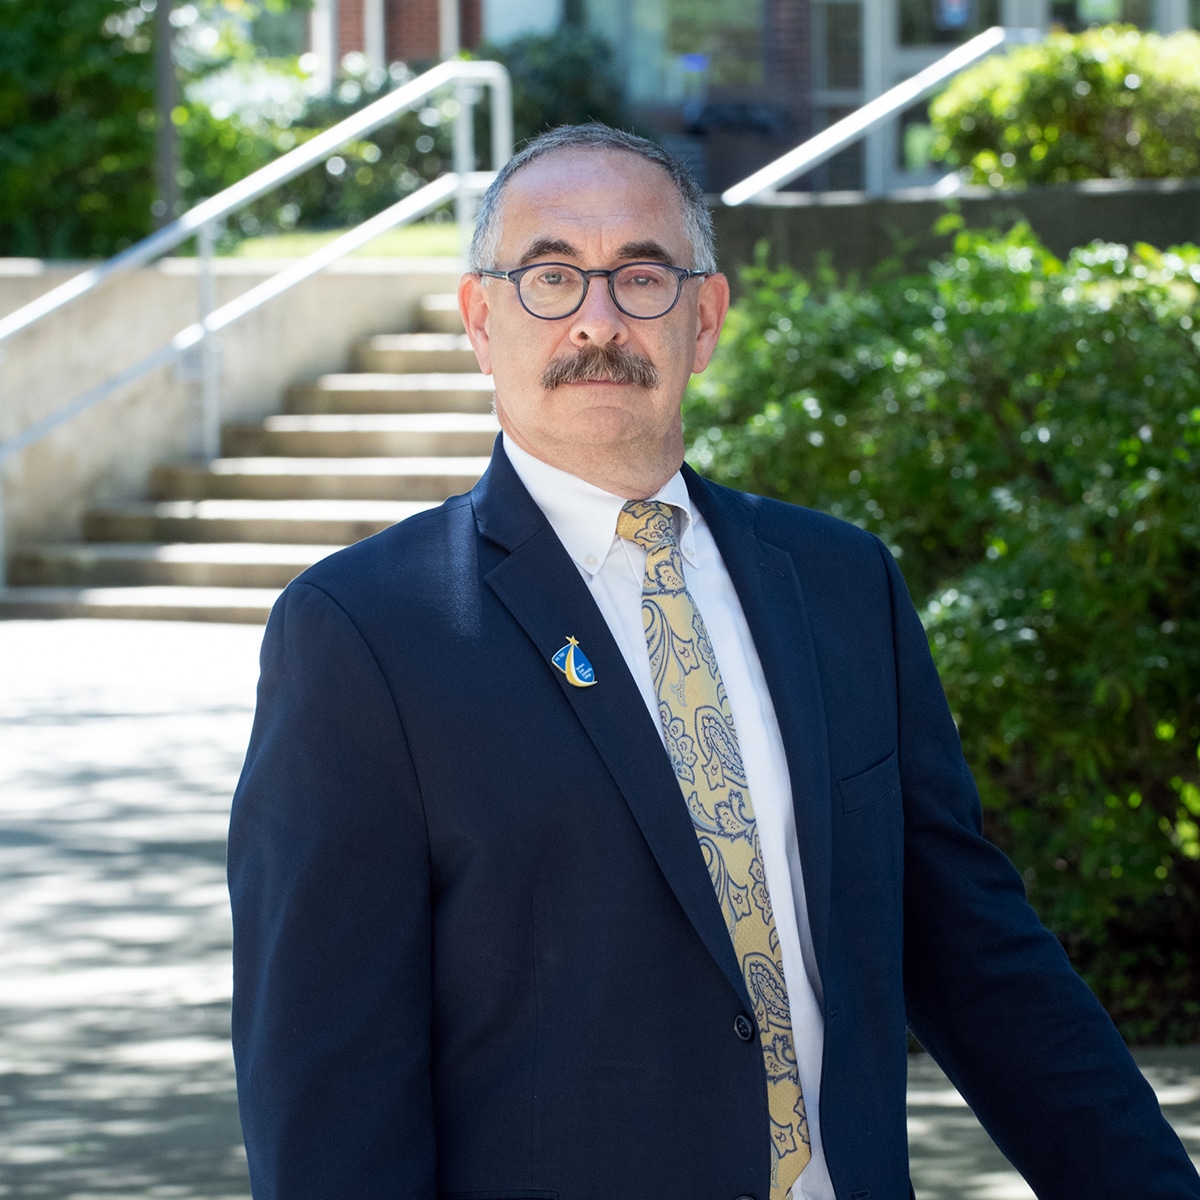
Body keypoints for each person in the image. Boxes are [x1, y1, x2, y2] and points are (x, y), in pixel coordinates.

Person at [227, 124, 1200, 1200]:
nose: (598, 320)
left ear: (706, 317)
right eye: (551, 277)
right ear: (479, 318)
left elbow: (974, 950)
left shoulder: (840, 584)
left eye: (641, 277)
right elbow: (328, 1073)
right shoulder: (365, 630)